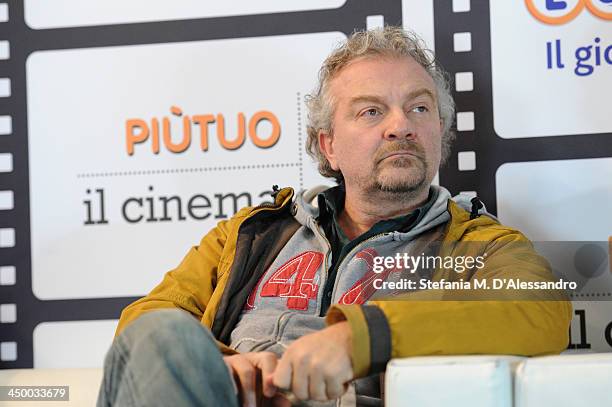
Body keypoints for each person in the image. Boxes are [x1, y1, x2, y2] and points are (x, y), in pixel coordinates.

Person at [97, 26, 572, 407]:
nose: (401, 126)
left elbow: (539, 313)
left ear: (440, 132)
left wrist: (358, 340)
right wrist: (218, 366)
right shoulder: (250, 233)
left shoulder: (480, 245)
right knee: (162, 335)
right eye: (371, 111)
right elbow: (144, 324)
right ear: (328, 144)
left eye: (419, 107)